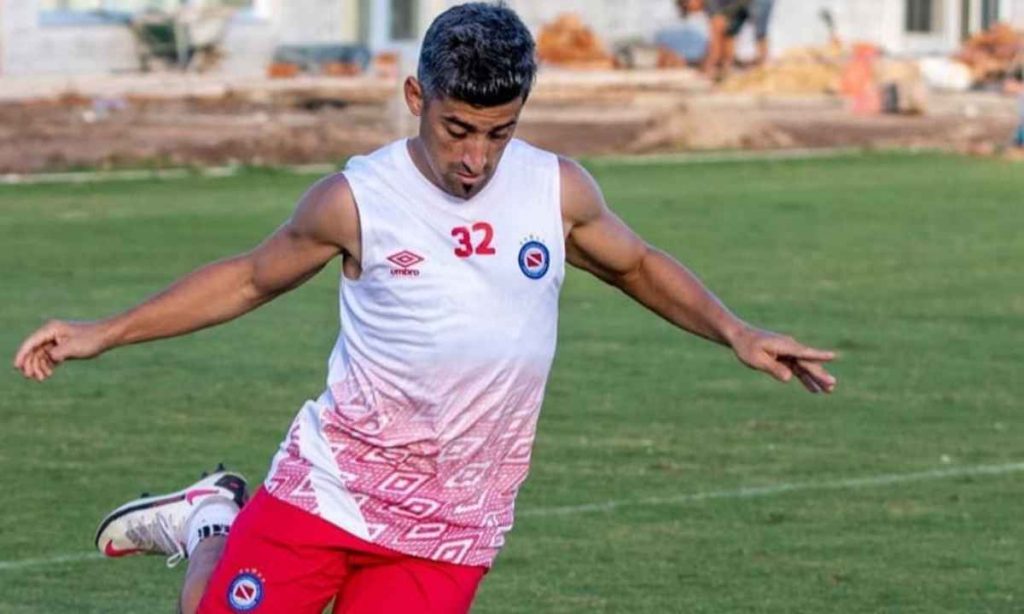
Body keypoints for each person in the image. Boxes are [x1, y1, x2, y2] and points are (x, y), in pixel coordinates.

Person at [12, 3, 837, 613]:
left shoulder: (557, 190)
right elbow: (250, 279)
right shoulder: (355, 200)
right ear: (416, 96)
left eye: (498, 133)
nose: (476, 158)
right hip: (330, 489)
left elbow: (638, 265)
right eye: (457, 129)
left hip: (455, 521)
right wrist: (103, 333)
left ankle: (213, 526)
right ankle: (211, 523)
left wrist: (737, 330)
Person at [702, 0, 775, 80]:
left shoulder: (710, 3)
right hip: (741, 5)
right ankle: (727, 66)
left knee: (760, 32)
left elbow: (718, 29)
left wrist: (712, 61)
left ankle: (764, 64)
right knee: (730, 30)